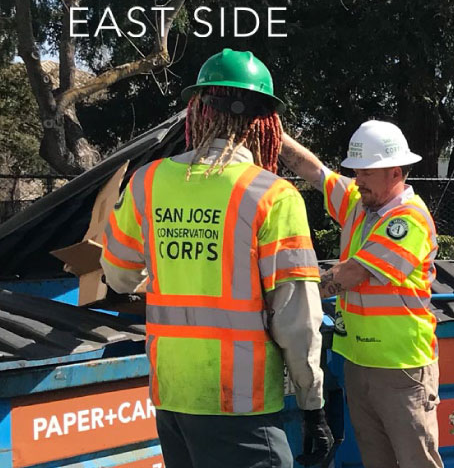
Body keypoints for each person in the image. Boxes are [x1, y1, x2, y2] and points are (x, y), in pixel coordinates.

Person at [100, 49, 334, 468]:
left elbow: (117, 276)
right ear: (266, 123)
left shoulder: (147, 182)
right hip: (240, 406)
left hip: (172, 396)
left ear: (197, 109)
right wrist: (312, 404)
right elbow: (298, 320)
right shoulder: (274, 196)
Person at [280, 120, 443, 468]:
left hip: (401, 367)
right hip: (358, 362)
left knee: (416, 461)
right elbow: (314, 171)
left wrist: (287, 295)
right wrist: (272, 131)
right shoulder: (360, 203)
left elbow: (352, 275)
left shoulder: (409, 219)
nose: (358, 180)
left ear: (395, 172)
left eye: (367, 173)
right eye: (356, 171)